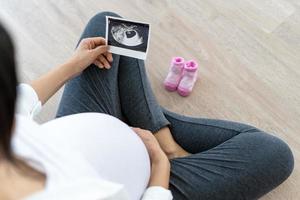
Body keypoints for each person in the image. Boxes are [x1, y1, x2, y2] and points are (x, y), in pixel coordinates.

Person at [0, 11, 294, 200]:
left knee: (110, 28)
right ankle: (158, 133)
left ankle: (155, 127)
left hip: (88, 122)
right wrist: (159, 166)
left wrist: (72, 65)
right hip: (145, 181)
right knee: (273, 153)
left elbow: (17, 105)